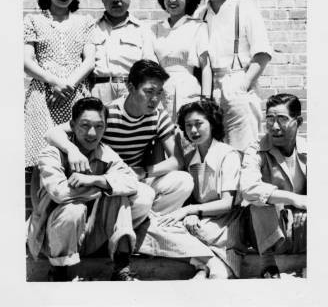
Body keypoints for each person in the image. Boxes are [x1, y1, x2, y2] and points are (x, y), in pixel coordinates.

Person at [45, 60, 194, 217]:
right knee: (143, 197)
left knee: (184, 181)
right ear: (130, 87)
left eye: (159, 93)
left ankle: (149, 221)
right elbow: (51, 133)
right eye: (149, 91)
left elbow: (177, 161)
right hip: (106, 181)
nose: (155, 99)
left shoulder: (158, 116)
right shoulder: (108, 113)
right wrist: (72, 150)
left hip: (137, 178)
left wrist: (144, 172)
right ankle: (133, 221)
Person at [28, 97, 143, 281]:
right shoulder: (51, 153)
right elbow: (60, 193)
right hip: (52, 239)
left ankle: (122, 268)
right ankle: (59, 273)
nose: (92, 133)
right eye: (85, 125)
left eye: (99, 126)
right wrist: (101, 189)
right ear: (72, 125)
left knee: (118, 195)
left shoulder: (105, 152)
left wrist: (94, 179)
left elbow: (132, 182)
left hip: (89, 236)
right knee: (75, 209)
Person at [157, 100, 243, 279]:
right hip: (199, 219)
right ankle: (205, 267)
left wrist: (190, 210)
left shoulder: (228, 155)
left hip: (225, 222)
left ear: (212, 123)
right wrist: (192, 213)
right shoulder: (188, 157)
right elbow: (190, 198)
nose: (193, 131)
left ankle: (211, 268)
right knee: (162, 226)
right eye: (188, 126)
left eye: (198, 124)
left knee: (198, 234)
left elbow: (227, 204)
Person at [195, 0, 272, 153]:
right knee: (215, 153)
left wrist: (242, 86)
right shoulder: (200, 14)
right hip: (209, 88)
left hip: (237, 81)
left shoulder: (245, 9)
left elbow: (262, 55)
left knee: (243, 151)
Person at [24, 0, 95, 169]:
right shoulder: (33, 20)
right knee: (43, 157)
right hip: (43, 95)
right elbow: (26, 62)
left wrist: (67, 85)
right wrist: (54, 81)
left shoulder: (85, 22)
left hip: (76, 93)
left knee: (75, 152)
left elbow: (89, 60)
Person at [240, 93, 306, 278]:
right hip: (266, 229)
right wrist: (294, 198)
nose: (274, 127)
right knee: (258, 203)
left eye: (282, 119)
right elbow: (248, 188)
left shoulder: (310, 151)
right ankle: (268, 267)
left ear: (298, 122)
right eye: (270, 119)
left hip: (301, 225)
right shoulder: (256, 149)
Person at [152, 0, 212, 121]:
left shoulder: (198, 27)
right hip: (160, 90)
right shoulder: (154, 29)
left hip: (188, 89)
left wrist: (206, 100)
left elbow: (206, 66)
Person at [90, 0, 155, 106]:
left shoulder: (143, 29)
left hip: (130, 89)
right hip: (98, 90)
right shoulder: (91, 28)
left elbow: (149, 65)